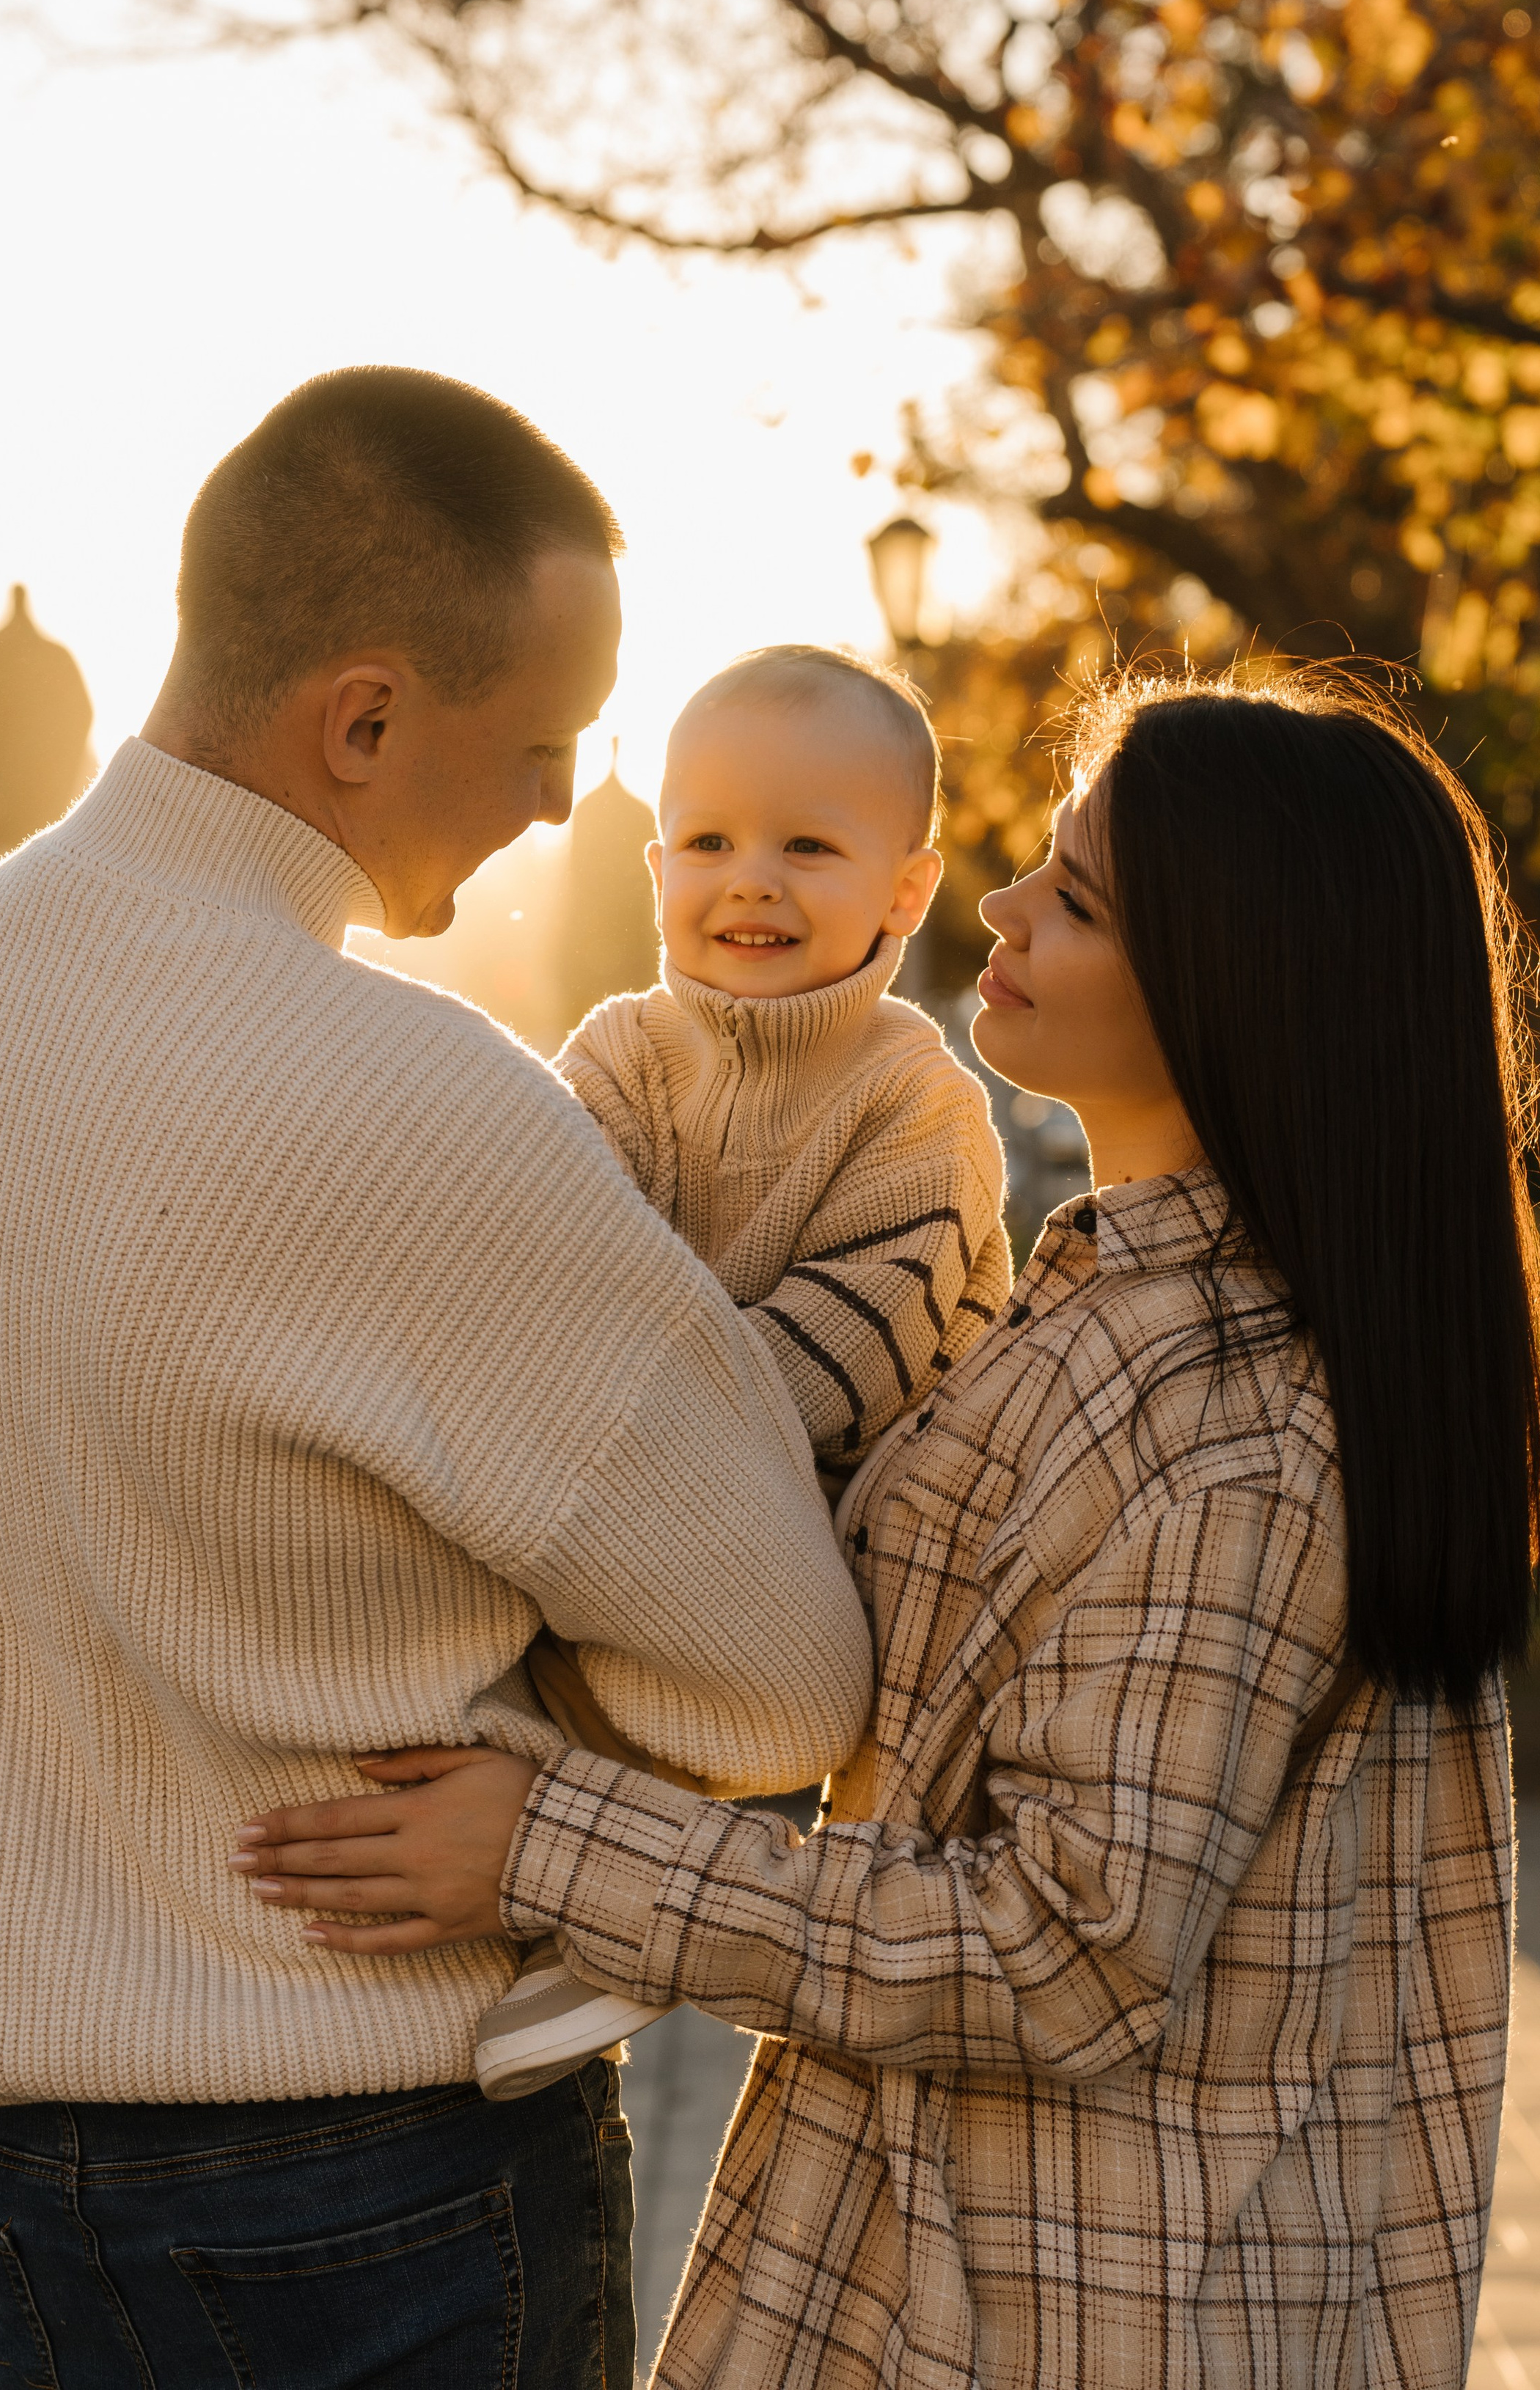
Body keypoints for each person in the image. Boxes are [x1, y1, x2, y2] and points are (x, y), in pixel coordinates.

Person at [235, 669, 1540, 2390]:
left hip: (1093, 2304)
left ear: (1240, 980)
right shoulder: (1090, 1301)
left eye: (1075, 897)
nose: (1001, 904)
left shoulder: (1247, 1432)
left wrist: (552, 1849)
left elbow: (1064, 1952)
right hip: (934, 2246)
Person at [0, 367, 873, 2390]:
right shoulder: (417, 1103)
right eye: (549, 739)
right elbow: (780, 1684)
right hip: (369, 2163)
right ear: (366, 721)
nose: (570, 804)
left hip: (15, 2171)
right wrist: (537, 1771)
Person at [474, 645, 1011, 2097]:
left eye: (807, 848)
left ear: (905, 890)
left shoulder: (917, 1103)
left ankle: (624, 1891)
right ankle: (528, 1856)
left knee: (682, 1636)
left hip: (836, 1518)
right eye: (708, 842)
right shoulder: (618, 1059)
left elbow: (845, 1352)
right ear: (655, 867)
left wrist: (614, 1429)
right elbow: (549, 1267)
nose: (749, 881)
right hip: (641, 1480)